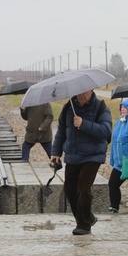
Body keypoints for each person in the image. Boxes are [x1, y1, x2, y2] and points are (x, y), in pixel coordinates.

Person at [50, 90, 112, 235]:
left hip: (92, 155)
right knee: (70, 190)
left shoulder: (101, 107)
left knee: (83, 189)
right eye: (78, 92)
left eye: (85, 92)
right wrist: (56, 152)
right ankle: (88, 217)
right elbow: (61, 131)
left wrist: (83, 123)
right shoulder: (68, 108)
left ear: (91, 91)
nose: (81, 95)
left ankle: (83, 225)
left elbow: (105, 132)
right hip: (72, 155)